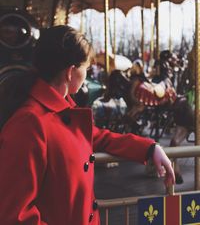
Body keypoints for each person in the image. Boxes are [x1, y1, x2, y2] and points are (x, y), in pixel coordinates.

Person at [0, 25, 175, 225]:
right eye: (86, 68)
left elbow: (99, 137)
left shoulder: (62, 112)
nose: (87, 75)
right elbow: (15, 215)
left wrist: (150, 148)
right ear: (70, 72)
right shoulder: (29, 123)